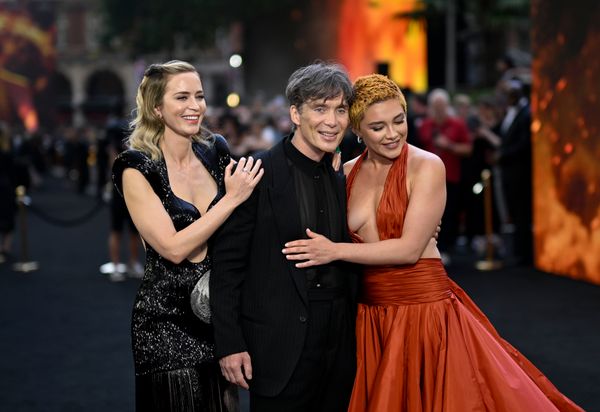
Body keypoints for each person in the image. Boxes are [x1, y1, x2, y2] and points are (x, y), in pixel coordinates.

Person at [283, 74, 583, 411]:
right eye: (378, 127)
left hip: (424, 314)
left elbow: (409, 249)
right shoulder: (345, 172)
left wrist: (334, 251)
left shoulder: (427, 166)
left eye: (400, 120)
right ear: (358, 130)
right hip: (369, 317)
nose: (393, 133)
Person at [111, 60, 263, 412]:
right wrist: (232, 199)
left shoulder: (216, 151)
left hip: (222, 318)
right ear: (156, 108)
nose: (195, 106)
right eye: (182, 97)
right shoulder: (136, 167)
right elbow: (173, 248)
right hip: (166, 325)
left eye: (199, 96)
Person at [210, 62, 358, 412]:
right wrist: (230, 344)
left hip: (341, 342)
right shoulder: (255, 173)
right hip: (279, 344)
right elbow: (227, 266)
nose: (332, 121)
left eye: (340, 110)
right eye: (320, 109)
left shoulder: (342, 176)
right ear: (295, 113)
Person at [419, 88, 472, 264]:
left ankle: (447, 248)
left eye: (442, 106)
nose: (439, 110)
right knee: (428, 215)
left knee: (449, 214)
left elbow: (468, 149)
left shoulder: (457, 125)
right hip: (427, 179)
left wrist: (450, 145)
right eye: (435, 106)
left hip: (451, 177)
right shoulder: (425, 125)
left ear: (447, 106)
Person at [497, 80, 533, 265]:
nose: (506, 97)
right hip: (509, 171)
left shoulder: (527, 113)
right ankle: (519, 251)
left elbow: (525, 144)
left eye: (509, 93)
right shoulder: (511, 112)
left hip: (520, 172)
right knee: (515, 211)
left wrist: (503, 154)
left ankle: (524, 254)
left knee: (522, 213)